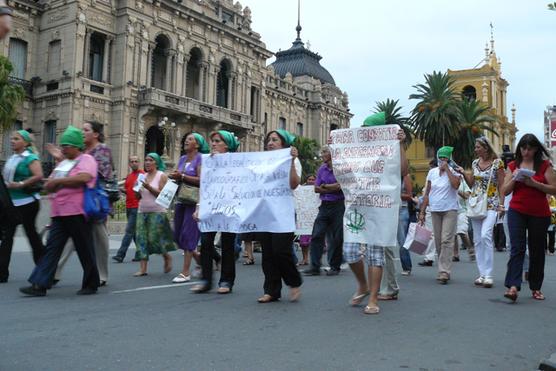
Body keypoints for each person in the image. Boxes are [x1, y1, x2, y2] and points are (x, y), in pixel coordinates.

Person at [19, 126, 100, 296]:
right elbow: (51, 182)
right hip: (59, 213)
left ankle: (91, 283)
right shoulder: (63, 163)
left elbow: (84, 178)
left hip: (77, 212)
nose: (63, 148)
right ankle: (39, 284)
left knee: (85, 248)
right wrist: (51, 183)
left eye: (67, 145)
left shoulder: (87, 160)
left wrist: (58, 182)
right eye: (63, 145)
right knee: (52, 249)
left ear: (76, 146)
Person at [344, 112, 408, 315]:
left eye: (370, 130)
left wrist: (400, 145)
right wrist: (335, 147)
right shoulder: (355, 150)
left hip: (381, 208)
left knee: (375, 254)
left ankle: (373, 297)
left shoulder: (390, 148)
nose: (366, 133)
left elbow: (403, 170)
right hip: (358, 206)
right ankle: (362, 286)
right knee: (350, 252)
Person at [53, 121, 113, 286]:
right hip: (77, 200)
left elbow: (103, 175)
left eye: (86, 130)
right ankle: (55, 270)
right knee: (74, 235)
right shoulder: (81, 151)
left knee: (99, 237)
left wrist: (83, 165)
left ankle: (101, 274)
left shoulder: (102, 150)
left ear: (95, 134)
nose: (82, 132)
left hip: (94, 200)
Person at [502, 134, 556, 302]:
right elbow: (505, 190)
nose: (526, 152)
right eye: (523, 148)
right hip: (517, 210)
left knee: (537, 250)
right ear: (519, 149)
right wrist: (515, 178)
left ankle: (536, 287)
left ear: (535, 149)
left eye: (530, 149)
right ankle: (513, 286)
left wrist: (535, 184)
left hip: (539, 213)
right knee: (517, 247)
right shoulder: (513, 165)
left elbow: (554, 189)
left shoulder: (545, 166)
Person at [257, 129, 303, 303]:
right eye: (269, 139)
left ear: (283, 143)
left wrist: (291, 161)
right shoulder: (262, 162)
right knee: (267, 253)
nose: (270, 143)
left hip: (283, 212)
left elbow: (293, 183)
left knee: (281, 251)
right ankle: (271, 290)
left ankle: (294, 282)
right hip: (265, 212)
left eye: (275, 140)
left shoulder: (293, 160)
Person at [191, 130, 240, 294]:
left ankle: (226, 281)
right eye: (212, 141)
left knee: (227, 244)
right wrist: (199, 207)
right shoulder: (207, 163)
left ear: (227, 145)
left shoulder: (237, 163)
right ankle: (205, 280)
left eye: (217, 141)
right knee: (205, 242)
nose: (213, 144)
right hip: (210, 208)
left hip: (229, 209)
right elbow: (205, 187)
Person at [456, 137, 504, 288]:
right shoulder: (475, 163)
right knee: (477, 239)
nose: (475, 149)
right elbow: (472, 184)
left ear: (486, 148)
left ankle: (489, 274)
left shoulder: (498, 164)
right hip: (476, 203)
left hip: (491, 203)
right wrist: (464, 173)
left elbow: (502, 186)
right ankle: (482, 273)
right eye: (475, 147)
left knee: (485, 235)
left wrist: (502, 205)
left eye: (478, 147)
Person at [0, 130, 45, 283]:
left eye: (16, 139)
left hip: (28, 203)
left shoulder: (30, 157)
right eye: (11, 138)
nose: (12, 141)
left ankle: (44, 269)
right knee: (7, 236)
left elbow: (39, 175)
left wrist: (20, 184)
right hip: (11, 204)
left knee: (31, 234)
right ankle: (2, 273)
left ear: (25, 142)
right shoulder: (12, 158)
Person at [168, 133, 209, 283]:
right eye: (187, 138)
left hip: (194, 202)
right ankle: (203, 262)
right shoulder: (182, 159)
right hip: (181, 200)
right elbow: (178, 177)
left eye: (191, 139)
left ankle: (185, 272)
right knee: (177, 235)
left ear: (197, 145)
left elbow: (202, 180)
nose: (187, 140)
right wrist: (174, 176)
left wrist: (183, 177)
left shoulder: (200, 158)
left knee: (188, 235)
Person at [419, 146, 462, 284]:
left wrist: (448, 169)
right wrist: (422, 211)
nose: (442, 160)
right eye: (440, 157)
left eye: (445, 158)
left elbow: (455, 185)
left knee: (446, 240)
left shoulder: (455, 171)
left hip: (450, 209)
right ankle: (442, 267)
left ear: (449, 159)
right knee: (437, 240)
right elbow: (427, 193)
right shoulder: (432, 172)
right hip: (435, 209)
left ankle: (444, 271)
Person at [303, 146, 345, 276]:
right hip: (325, 205)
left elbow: (341, 186)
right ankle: (315, 266)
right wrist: (332, 188)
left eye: (325, 152)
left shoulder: (341, 168)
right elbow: (316, 188)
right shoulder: (322, 169)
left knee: (336, 238)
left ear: (333, 154)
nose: (322, 155)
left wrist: (325, 186)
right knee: (316, 235)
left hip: (338, 205)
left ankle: (334, 266)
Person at [133, 153, 176, 276]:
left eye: (150, 160)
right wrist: (138, 189)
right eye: (146, 160)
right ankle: (143, 268)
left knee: (154, 239)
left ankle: (166, 257)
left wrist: (148, 187)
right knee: (141, 239)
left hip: (157, 211)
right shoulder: (142, 176)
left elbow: (163, 195)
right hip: (142, 211)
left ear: (156, 163)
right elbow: (137, 196)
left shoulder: (161, 176)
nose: (147, 162)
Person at [112, 156, 144, 263]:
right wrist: (122, 190)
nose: (134, 163)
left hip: (136, 206)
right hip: (128, 206)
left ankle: (120, 254)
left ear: (139, 163)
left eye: (136, 161)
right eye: (132, 161)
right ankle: (140, 253)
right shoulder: (129, 176)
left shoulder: (142, 175)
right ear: (129, 164)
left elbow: (142, 190)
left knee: (129, 231)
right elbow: (128, 190)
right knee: (134, 232)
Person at [452, 180, 475, 262]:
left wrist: (456, 189)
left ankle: (470, 249)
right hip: (451, 210)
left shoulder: (463, 182)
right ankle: (455, 254)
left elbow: (467, 196)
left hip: (462, 210)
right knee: (453, 234)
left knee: (462, 231)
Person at [297, 174, 316, 266]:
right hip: (304, 219)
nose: (311, 181)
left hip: (315, 218)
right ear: (306, 180)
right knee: (304, 243)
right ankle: (305, 259)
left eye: (313, 179)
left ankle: (315, 261)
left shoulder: (319, 189)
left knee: (316, 241)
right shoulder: (300, 190)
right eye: (310, 179)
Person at [397, 174, 413, 276]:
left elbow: (409, 195)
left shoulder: (405, 176)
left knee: (402, 240)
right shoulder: (388, 174)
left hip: (402, 209)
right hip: (388, 209)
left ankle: (406, 266)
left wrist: (395, 194)